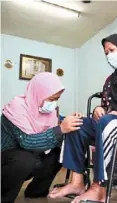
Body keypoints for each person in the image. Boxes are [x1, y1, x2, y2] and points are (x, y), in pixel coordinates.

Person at [48, 34, 117, 203]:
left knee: (108, 122)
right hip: (111, 121)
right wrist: (100, 109)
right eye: (106, 53)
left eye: (112, 50)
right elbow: (107, 108)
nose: (109, 56)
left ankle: (98, 188)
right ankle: (76, 182)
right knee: (77, 123)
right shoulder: (110, 80)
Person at [1, 72, 83, 203]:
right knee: (24, 158)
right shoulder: (15, 109)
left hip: (29, 162)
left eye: (57, 99)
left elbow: (57, 121)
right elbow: (28, 142)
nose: (53, 104)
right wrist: (61, 129)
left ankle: (36, 192)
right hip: (6, 163)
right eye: (51, 99)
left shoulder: (48, 111)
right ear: (37, 94)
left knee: (58, 150)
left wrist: (71, 119)